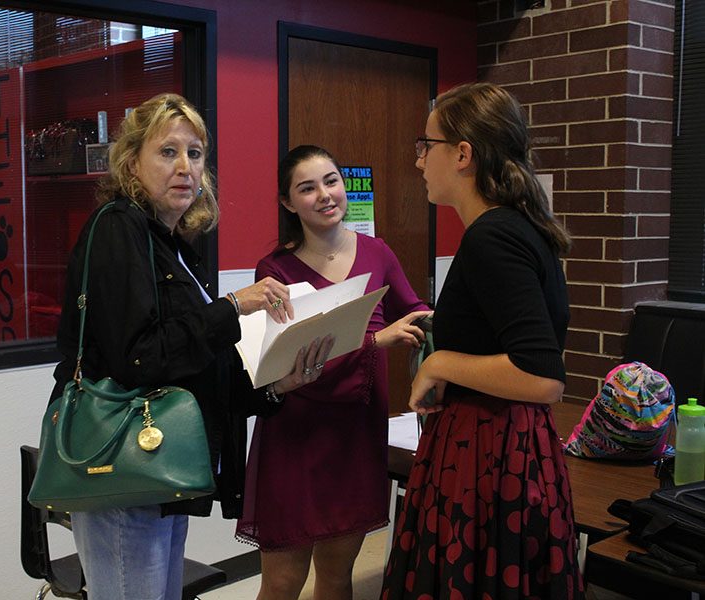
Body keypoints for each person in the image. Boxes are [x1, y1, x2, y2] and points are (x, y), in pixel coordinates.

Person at [51, 93, 333, 600]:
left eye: (196, 153)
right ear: (132, 161)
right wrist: (232, 306)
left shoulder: (171, 242)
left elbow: (195, 366)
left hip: (161, 469)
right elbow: (140, 358)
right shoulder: (119, 226)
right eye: (168, 152)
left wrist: (274, 387)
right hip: (123, 469)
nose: (186, 167)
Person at [381, 82, 583, 599]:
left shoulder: (492, 236)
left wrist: (440, 363)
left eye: (426, 146)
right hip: (507, 445)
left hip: (489, 452)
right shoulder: (519, 228)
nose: (420, 161)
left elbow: (541, 377)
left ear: (464, 154)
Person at [235, 144, 431, 600]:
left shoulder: (378, 252)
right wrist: (376, 340)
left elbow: (414, 309)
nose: (325, 195)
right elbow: (286, 361)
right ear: (288, 203)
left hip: (356, 436)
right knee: (283, 581)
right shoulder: (275, 270)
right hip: (296, 438)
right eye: (307, 188)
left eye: (331, 181)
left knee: (338, 576)